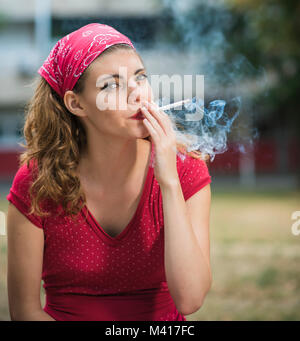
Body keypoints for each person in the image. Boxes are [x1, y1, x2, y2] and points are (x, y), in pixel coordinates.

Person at [6, 23, 212, 321]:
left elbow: (190, 299)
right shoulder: (37, 182)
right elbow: (24, 311)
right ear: (76, 103)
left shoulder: (185, 169)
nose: (137, 95)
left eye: (140, 78)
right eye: (111, 85)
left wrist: (168, 181)